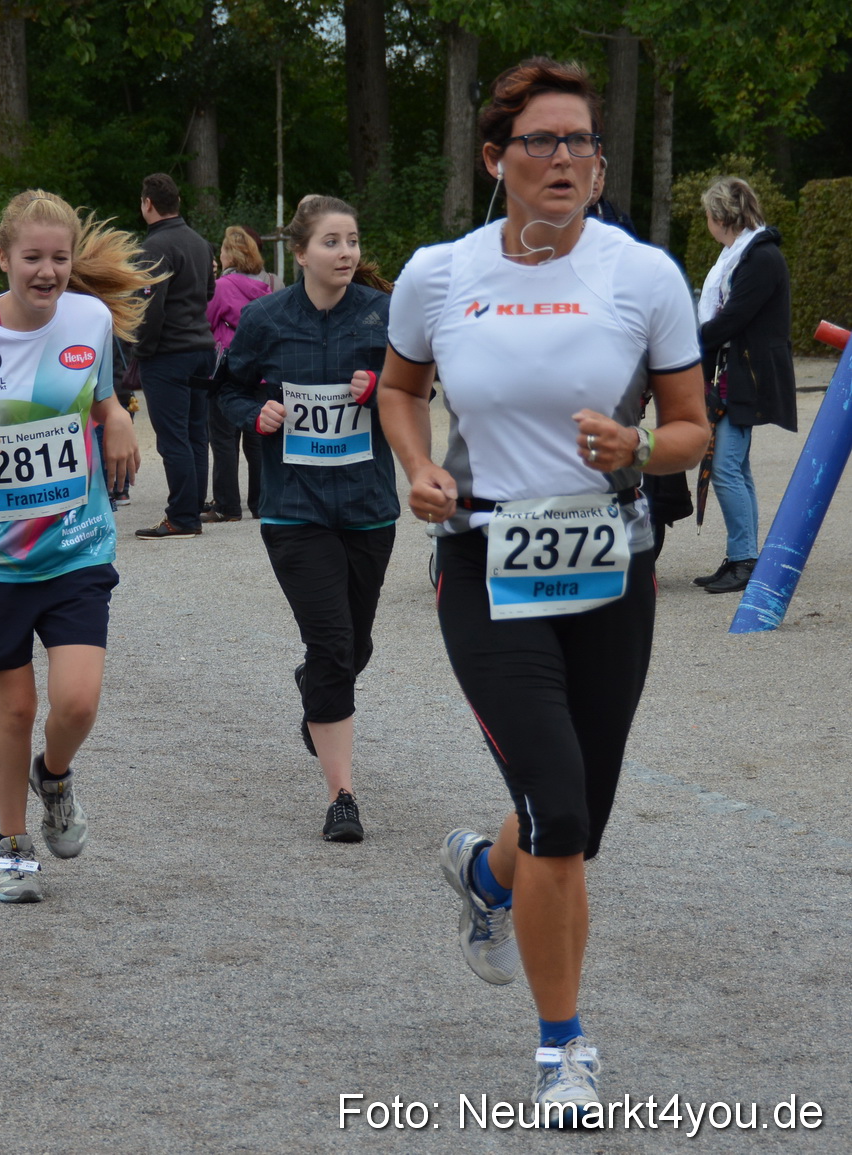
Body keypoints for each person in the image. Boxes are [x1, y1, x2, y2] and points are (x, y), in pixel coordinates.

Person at [378, 58, 708, 1126]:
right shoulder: (440, 274)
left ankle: (487, 873)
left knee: (574, 815)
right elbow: (398, 388)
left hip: (612, 568)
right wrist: (417, 467)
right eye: (541, 141)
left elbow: (692, 429)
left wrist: (639, 445)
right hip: (485, 564)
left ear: (599, 164)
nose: (565, 158)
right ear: (496, 159)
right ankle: (563, 1048)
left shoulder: (643, 275)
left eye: (581, 142)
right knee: (558, 811)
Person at [0, 190, 149, 903]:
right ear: (4, 258)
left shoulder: (91, 319)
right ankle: (12, 845)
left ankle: (56, 774)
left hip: (77, 543)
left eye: (59, 258)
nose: (47, 271)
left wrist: (118, 417)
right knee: (14, 709)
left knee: (77, 703)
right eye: (32, 257)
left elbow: (100, 397)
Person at [215, 197, 394, 843]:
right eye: (331, 241)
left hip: (368, 506)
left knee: (354, 646)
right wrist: (254, 414)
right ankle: (342, 795)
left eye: (352, 240)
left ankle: (316, 685)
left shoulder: (383, 313)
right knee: (332, 643)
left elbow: (419, 387)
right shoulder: (264, 318)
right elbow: (227, 388)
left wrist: (381, 387)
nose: (346, 252)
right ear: (300, 252)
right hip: (294, 508)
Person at [694, 177, 795, 595]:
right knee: (738, 469)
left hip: (745, 375)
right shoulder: (744, 254)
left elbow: (732, 319)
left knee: (724, 469)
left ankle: (744, 559)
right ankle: (746, 555)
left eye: (708, 215)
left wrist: (687, 341)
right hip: (737, 371)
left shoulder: (759, 258)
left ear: (721, 217)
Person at [130, 173, 216, 539]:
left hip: (169, 353)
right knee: (196, 434)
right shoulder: (200, 242)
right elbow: (209, 292)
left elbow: (149, 308)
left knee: (173, 438)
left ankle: (181, 516)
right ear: (177, 202)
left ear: (147, 203)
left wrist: (142, 351)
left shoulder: (154, 247)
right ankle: (192, 508)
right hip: (202, 348)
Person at [203, 224, 274, 523]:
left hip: (229, 369)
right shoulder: (265, 287)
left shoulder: (221, 287)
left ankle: (227, 505)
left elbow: (207, 322)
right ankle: (260, 503)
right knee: (256, 438)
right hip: (261, 371)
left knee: (223, 438)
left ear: (230, 255)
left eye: (222, 250)